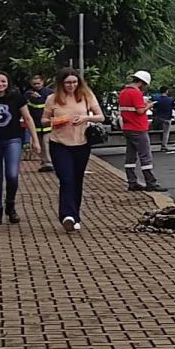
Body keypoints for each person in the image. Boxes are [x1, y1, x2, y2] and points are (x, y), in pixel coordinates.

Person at [43, 68, 104, 233]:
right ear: (61, 83)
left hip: (81, 144)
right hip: (59, 144)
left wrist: (86, 118)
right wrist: (56, 121)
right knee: (66, 178)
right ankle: (67, 215)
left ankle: (75, 216)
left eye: (74, 82)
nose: (71, 85)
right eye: (68, 83)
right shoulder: (52, 99)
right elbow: (43, 120)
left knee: (77, 179)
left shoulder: (86, 96)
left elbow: (100, 116)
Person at [0, 72, 41, 225]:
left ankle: (10, 205)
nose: (0, 84)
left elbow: (28, 118)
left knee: (12, 175)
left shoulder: (16, 97)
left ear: (8, 83)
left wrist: (35, 140)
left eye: (3, 81)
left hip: (13, 139)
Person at [118, 71, 166, 192]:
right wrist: (149, 105)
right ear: (142, 82)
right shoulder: (136, 93)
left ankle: (132, 182)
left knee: (130, 156)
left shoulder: (123, 92)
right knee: (145, 156)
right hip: (138, 128)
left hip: (127, 127)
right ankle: (151, 183)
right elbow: (140, 111)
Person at [26, 75, 55, 172]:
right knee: (39, 144)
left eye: (38, 83)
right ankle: (44, 162)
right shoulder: (28, 94)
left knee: (46, 142)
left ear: (43, 82)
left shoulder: (50, 93)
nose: (36, 85)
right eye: (34, 84)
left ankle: (49, 163)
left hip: (48, 124)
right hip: (35, 124)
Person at [151, 86, 175, 153]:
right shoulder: (170, 99)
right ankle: (164, 146)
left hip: (158, 118)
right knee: (166, 133)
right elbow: (173, 106)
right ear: (166, 91)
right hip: (167, 118)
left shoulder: (157, 99)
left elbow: (154, 107)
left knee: (153, 131)